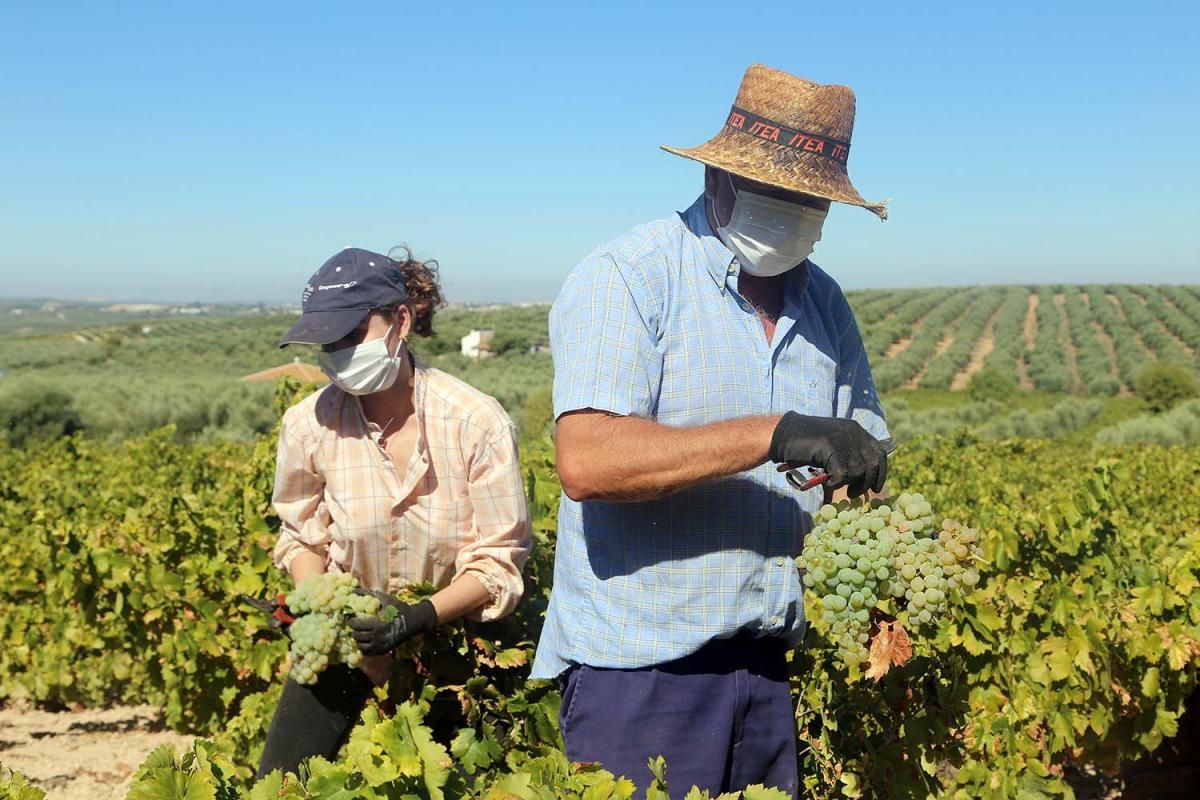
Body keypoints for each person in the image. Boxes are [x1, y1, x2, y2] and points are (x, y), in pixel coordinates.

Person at [529, 65, 892, 797]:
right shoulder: (628, 278)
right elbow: (588, 461)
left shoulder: (825, 305)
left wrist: (882, 590)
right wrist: (775, 433)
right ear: (719, 179)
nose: (793, 209)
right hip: (640, 682)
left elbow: (855, 470)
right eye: (776, 192)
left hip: (763, 673)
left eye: (809, 198)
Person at [255, 246, 532, 778]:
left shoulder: (476, 424)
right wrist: (314, 603)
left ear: (400, 320)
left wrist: (419, 617)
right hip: (343, 651)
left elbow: (499, 561)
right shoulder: (307, 425)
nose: (336, 354)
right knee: (282, 785)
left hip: (453, 658)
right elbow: (302, 539)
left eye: (350, 336)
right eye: (326, 343)